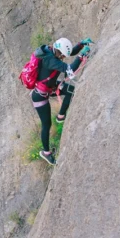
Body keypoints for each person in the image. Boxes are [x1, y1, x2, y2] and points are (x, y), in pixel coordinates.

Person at [31, 37, 92, 165]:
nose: (63, 57)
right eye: (62, 55)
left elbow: (69, 54)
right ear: (58, 51)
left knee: (70, 90)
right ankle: (46, 153)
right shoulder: (51, 60)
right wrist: (81, 57)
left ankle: (61, 116)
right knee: (46, 125)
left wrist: (80, 44)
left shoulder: (51, 51)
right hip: (40, 96)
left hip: (49, 87)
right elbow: (70, 70)